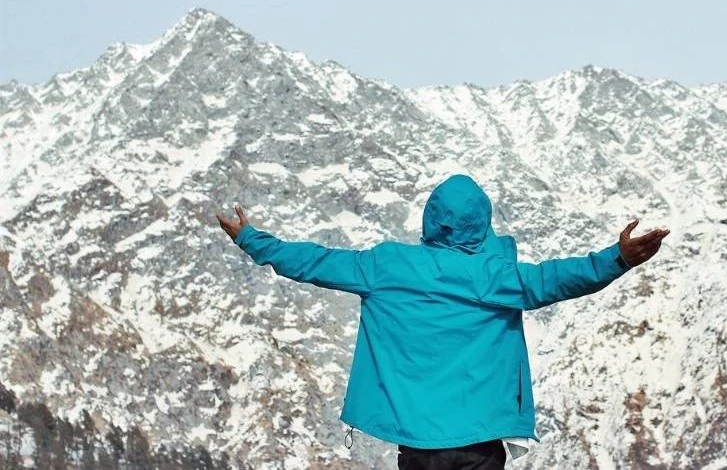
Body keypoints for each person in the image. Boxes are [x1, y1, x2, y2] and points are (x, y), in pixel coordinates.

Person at [216, 174, 668, 470]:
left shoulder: (384, 267)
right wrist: (617, 259)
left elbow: (312, 261)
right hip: (478, 445)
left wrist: (252, 239)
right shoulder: (496, 277)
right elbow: (555, 279)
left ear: (431, 218)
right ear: (482, 224)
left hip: (416, 446)